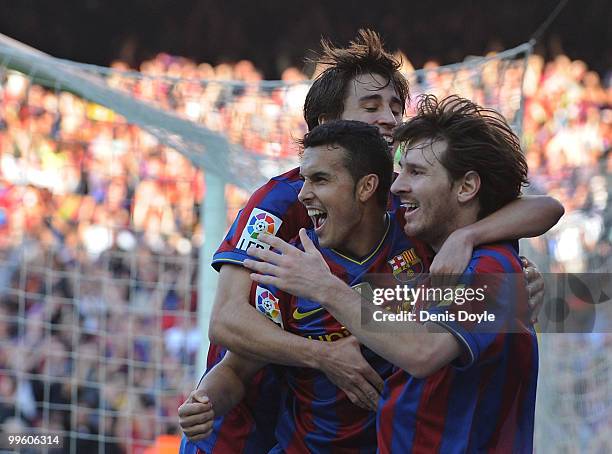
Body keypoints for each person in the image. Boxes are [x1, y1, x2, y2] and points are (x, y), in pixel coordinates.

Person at [179, 30, 560, 451]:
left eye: (396, 107)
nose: (389, 119)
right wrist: (322, 352)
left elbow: (546, 214)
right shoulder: (283, 207)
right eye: (371, 106)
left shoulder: (416, 218)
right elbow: (227, 325)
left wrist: (499, 282)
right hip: (248, 425)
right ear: (327, 125)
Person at [245, 95, 546, 452]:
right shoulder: (437, 266)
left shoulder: (491, 267)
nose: (397, 186)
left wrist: (324, 287)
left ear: (466, 187)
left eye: (416, 172)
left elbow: (423, 352)